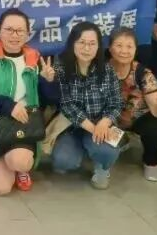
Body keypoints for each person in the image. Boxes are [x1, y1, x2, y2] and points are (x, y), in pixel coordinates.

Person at [0, 8, 58, 194]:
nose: (14, 35)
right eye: (9, 30)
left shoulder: (34, 58)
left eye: (20, 31)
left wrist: (47, 82)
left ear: (27, 33)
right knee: (2, 189)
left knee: (19, 161)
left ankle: (19, 167)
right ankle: (1, 161)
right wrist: (8, 106)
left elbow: (48, 100)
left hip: (23, 123)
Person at [51, 22, 124, 189]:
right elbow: (66, 104)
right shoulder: (61, 68)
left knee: (108, 153)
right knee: (63, 162)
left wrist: (105, 122)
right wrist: (93, 129)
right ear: (72, 43)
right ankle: (86, 150)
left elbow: (116, 102)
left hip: (101, 124)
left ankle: (102, 166)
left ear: (98, 47)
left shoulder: (107, 70)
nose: (86, 48)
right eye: (81, 42)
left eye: (92, 44)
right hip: (71, 126)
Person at [107, 27, 157, 182]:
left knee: (156, 124)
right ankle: (120, 140)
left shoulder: (143, 73)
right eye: (119, 45)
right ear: (110, 48)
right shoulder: (101, 70)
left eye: (129, 46)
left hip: (137, 118)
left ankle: (151, 162)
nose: (124, 51)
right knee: (105, 144)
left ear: (135, 50)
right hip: (110, 119)